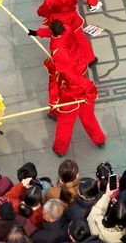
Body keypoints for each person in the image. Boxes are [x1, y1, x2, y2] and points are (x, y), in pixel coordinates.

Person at [43, 20, 106, 156]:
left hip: (69, 98)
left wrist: (54, 102)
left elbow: (54, 85)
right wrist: (91, 94)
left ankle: (60, 149)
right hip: (83, 91)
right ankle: (99, 139)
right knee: (89, 119)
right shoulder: (67, 29)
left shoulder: (63, 70)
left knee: (65, 126)